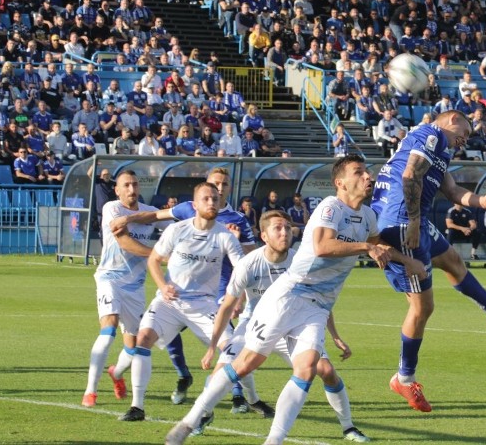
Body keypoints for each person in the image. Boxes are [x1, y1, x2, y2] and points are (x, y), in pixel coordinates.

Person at [165, 155, 423, 444]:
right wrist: (366, 247)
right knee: (247, 363)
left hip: (318, 305)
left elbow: (377, 245)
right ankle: (188, 423)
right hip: (290, 294)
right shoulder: (330, 207)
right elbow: (323, 246)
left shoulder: (368, 216)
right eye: (359, 172)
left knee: (309, 368)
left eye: (368, 172)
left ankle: (274, 440)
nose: (368, 177)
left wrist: (405, 261)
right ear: (340, 182)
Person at [371, 109, 486, 412]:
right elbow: (409, 175)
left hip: (407, 217)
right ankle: (404, 379)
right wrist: (416, 221)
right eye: (466, 131)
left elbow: (452, 191)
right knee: (423, 307)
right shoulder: (430, 135)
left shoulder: (438, 149)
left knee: (452, 260)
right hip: (402, 221)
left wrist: (480, 201)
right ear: (452, 120)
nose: (465, 139)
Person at [185, 210, 371, 442]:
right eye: (278, 228)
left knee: (326, 371)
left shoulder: (301, 260)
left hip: (295, 324)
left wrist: (335, 335)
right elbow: (226, 306)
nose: (285, 233)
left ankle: (348, 427)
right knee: (222, 371)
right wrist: (213, 347)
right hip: (255, 324)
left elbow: (319, 300)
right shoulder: (249, 263)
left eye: (287, 228)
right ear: (264, 236)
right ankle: (203, 415)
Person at [110, 168, 258, 410]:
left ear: (228, 189)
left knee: (232, 347)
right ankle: (143, 401)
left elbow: (247, 263)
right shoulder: (181, 220)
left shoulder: (235, 225)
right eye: (212, 188)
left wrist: (239, 298)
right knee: (145, 338)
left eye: (222, 187)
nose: (217, 193)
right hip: (172, 297)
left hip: (213, 296)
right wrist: (127, 218)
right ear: (197, 198)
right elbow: (155, 227)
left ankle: (240, 396)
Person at [82, 171, 166, 408]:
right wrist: (158, 256)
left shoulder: (150, 212)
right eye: (126, 185)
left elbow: (178, 223)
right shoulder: (113, 208)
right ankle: (91, 391)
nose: (131, 189)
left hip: (135, 287)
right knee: (107, 331)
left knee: (134, 347)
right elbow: (125, 242)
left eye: (135, 184)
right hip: (109, 278)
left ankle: (116, 374)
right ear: (117, 190)